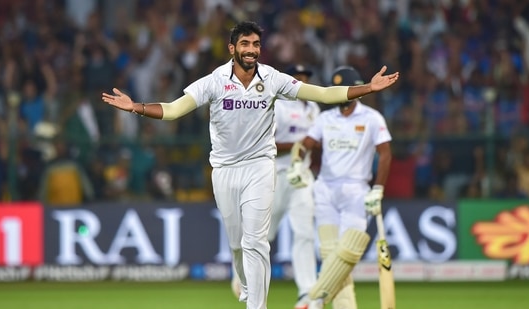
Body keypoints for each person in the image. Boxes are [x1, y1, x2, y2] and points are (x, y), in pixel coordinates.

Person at [102, 21, 399, 309]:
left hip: (260, 166)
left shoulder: (272, 79)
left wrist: (368, 89)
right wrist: (136, 107)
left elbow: (321, 93)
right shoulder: (215, 81)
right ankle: (243, 280)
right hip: (225, 171)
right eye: (245, 43)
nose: (251, 49)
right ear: (232, 48)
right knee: (237, 243)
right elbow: (174, 109)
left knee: (256, 242)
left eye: (256, 44)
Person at [288, 66, 392, 309]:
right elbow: (305, 144)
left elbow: (385, 154)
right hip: (325, 189)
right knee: (329, 253)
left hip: (357, 190)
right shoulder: (325, 118)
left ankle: (313, 298)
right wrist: (296, 164)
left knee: (348, 252)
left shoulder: (372, 118)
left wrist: (378, 189)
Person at [231, 64, 321, 309]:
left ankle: (307, 294)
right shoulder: (276, 105)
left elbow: (315, 142)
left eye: (305, 78)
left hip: (300, 178)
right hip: (273, 175)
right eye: (298, 78)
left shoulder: (313, 107)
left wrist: (305, 151)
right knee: (262, 235)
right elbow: (264, 140)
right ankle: (243, 276)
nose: (302, 82)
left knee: (304, 234)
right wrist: (296, 145)